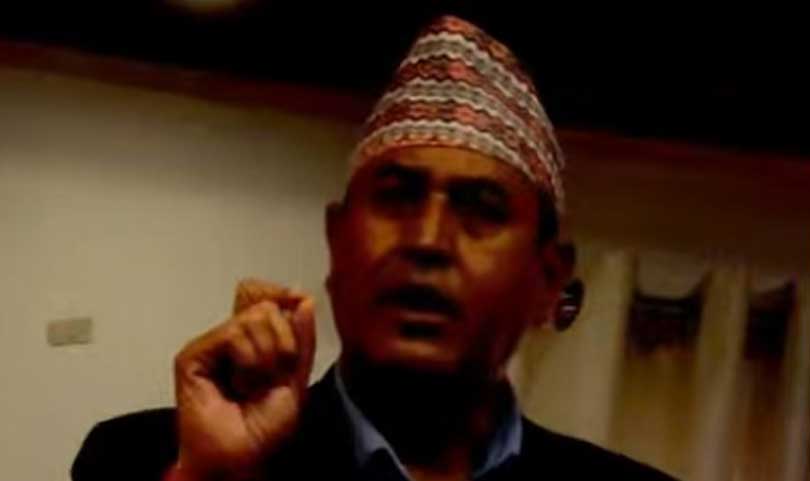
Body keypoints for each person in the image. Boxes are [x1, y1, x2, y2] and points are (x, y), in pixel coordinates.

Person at [72, 15, 676, 481]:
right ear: (337, 241)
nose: (427, 240)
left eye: (482, 209)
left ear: (548, 279)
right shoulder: (148, 458)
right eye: (396, 197)